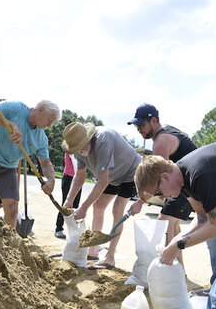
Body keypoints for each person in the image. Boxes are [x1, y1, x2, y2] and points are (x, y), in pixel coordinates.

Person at [134, 142, 216, 309]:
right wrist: (176, 242)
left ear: (165, 177)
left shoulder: (199, 174)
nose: (163, 199)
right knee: (213, 242)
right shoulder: (182, 181)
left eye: (159, 193)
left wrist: (178, 246)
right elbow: (204, 220)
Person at [62, 121, 143, 268]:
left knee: (118, 208)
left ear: (87, 139)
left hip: (130, 172)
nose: (79, 151)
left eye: (80, 147)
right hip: (112, 175)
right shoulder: (78, 149)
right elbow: (80, 176)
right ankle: (93, 251)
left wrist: (83, 208)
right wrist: (69, 200)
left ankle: (110, 257)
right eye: (76, 149)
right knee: (98, 207)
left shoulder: (103, 141)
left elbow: (102, 181)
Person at [0, 100, 60, 230]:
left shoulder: (41, 139)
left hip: (8, 167)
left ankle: (8, 244)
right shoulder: (16, 108)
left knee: (12, 208)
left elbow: (45, 163)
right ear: (41, 109)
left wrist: (51, 179)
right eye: (49, 120)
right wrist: (9, 124)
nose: (50, 125)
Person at [129, 103, 198, 264]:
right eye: (136, 126)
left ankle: (169, 267)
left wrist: (139, 202)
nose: (138, 129)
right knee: (173, 225)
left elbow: (156, 180)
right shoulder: (169, 129)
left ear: (154, 120)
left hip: (186, 183)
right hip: (190, 182)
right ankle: (178, 270)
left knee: (165, 219)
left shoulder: (160, 141)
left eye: (141, 125)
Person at [54, 153, 82, 239]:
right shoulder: (70, 148)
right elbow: (76, 163)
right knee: (66, 205)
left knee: (75, 206)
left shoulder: (82, 148)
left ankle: (74, 231)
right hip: (68, 179)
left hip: (79, 179)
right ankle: (59, 229)